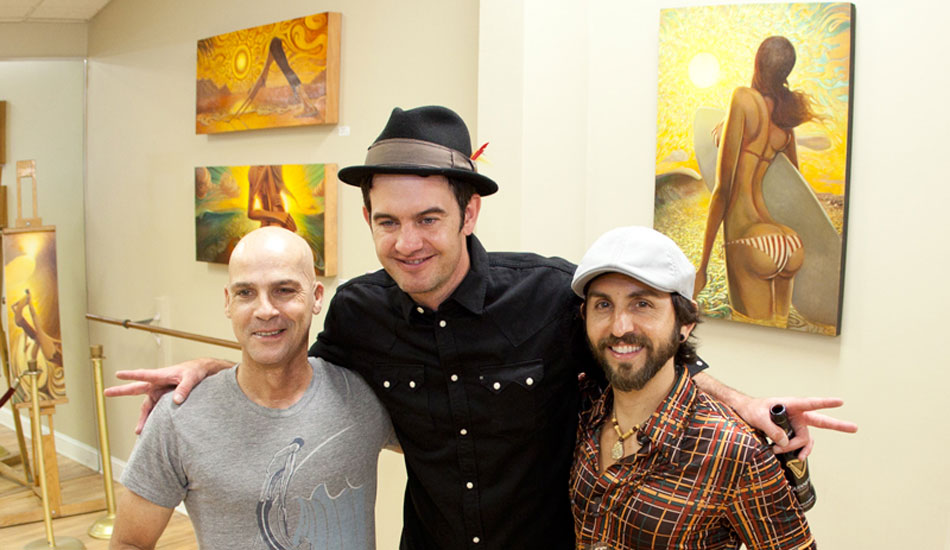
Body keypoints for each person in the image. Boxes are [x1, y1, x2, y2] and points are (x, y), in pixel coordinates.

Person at [107, 106, 855, 549]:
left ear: (469, 212)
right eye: (388, 222)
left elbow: (636, 351)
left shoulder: (550, 295)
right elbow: (290, 366)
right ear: (368, 221)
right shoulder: (360, 312)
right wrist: (208, 375)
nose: (409, 243)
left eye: (430, 218)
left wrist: (737, 400)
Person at [110, 227, 395, 550]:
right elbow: (129, 542)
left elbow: (449, 449)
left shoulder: (364, 396)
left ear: (316, 297)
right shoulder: (180, 417)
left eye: (284, 290)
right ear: (228, 301)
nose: (265, 310)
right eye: (246, 293)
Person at [570, 226, 816, 549]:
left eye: (642, 304)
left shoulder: (736, 452)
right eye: (603, 305)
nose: (619, 327)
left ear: (685, 322)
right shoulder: (584, 406)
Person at [695, 36, 823, 326]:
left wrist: (702, 266)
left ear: (757, 62)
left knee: (751, 332)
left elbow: (722, 192)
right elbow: (795, 187)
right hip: (787, 242)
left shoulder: (743, 99)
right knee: (778, 330)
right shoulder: (785, 123)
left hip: (750, 238)